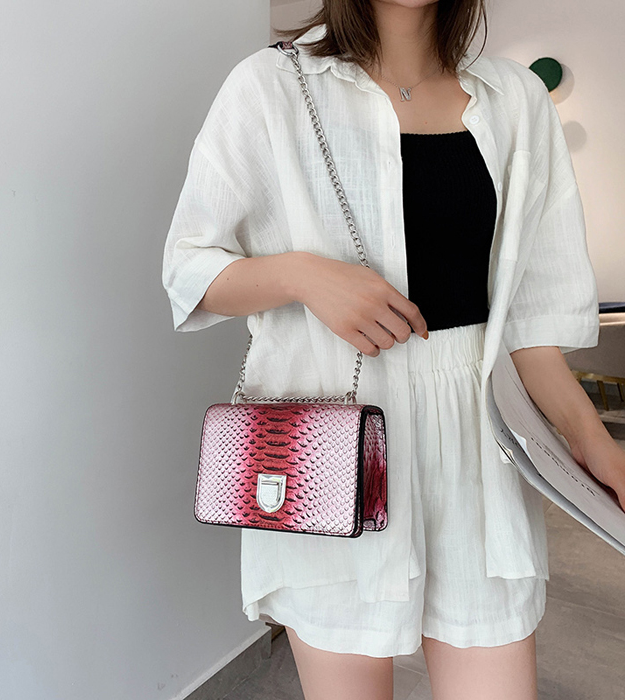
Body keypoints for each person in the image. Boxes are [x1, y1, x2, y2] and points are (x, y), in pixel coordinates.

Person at [162, 1, 625, 698]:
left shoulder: (516, 100)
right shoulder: (272, 87)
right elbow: (188, 270)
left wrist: (594, 444)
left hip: (479, 455)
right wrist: (303, 276)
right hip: (333, 446)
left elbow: (528, 327)